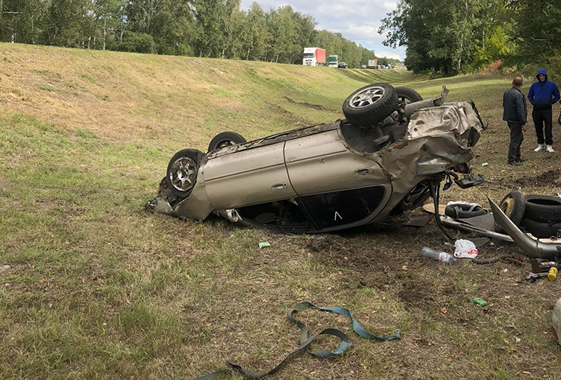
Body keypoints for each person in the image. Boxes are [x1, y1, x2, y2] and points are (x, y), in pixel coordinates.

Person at [527, 69, 560, 152]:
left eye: (543, 76)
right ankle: (540, 144)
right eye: (540, 76)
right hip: (537, 109)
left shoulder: (551, 85)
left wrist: (551, 102)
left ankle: (549, 145)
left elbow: (557, 95)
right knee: (538, 127)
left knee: (548, 127)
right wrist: (534, 103)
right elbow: (530, 96)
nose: (542, 77)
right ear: (538, 77)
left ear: (545, 76)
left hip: (547, 109)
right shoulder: (534, 85)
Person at [503, 76, 528, 166]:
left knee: (519, 138)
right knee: (515, 139)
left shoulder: (507, 92)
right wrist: (523, 122)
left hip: (509, 118)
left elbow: (504, 105)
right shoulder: (518, 95)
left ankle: (517, 156)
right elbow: (520, 109)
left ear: (512, 83)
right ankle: (511, 159)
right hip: (516, 120)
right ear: (521, 84)